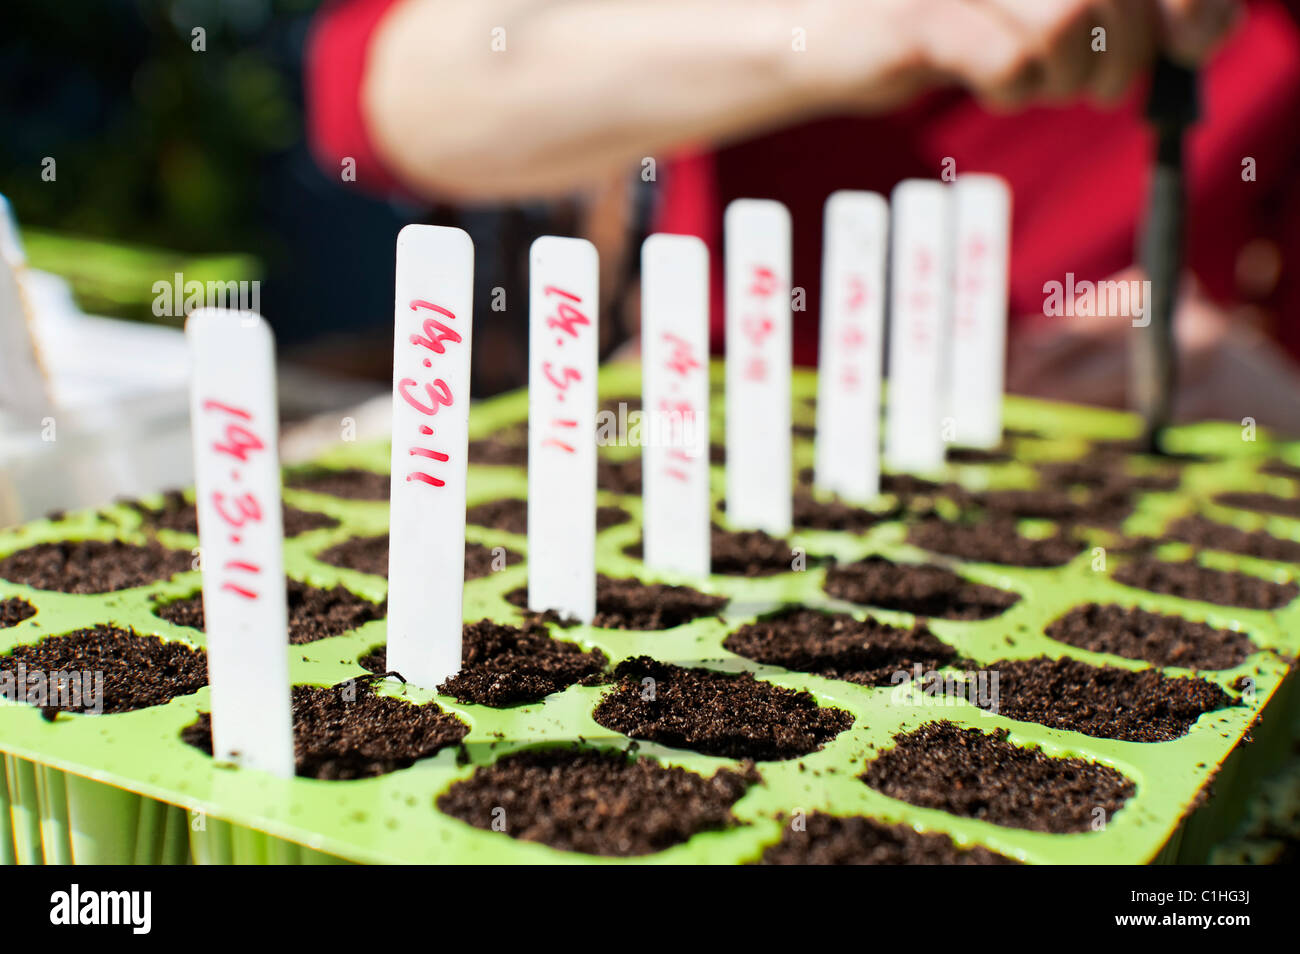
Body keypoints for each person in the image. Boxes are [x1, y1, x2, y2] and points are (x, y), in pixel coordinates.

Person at [306, 0, 1300, 432]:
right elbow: (380, 97)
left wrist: (1275, 407)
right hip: (717, 453)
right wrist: (822, 29)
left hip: (1118, 491)